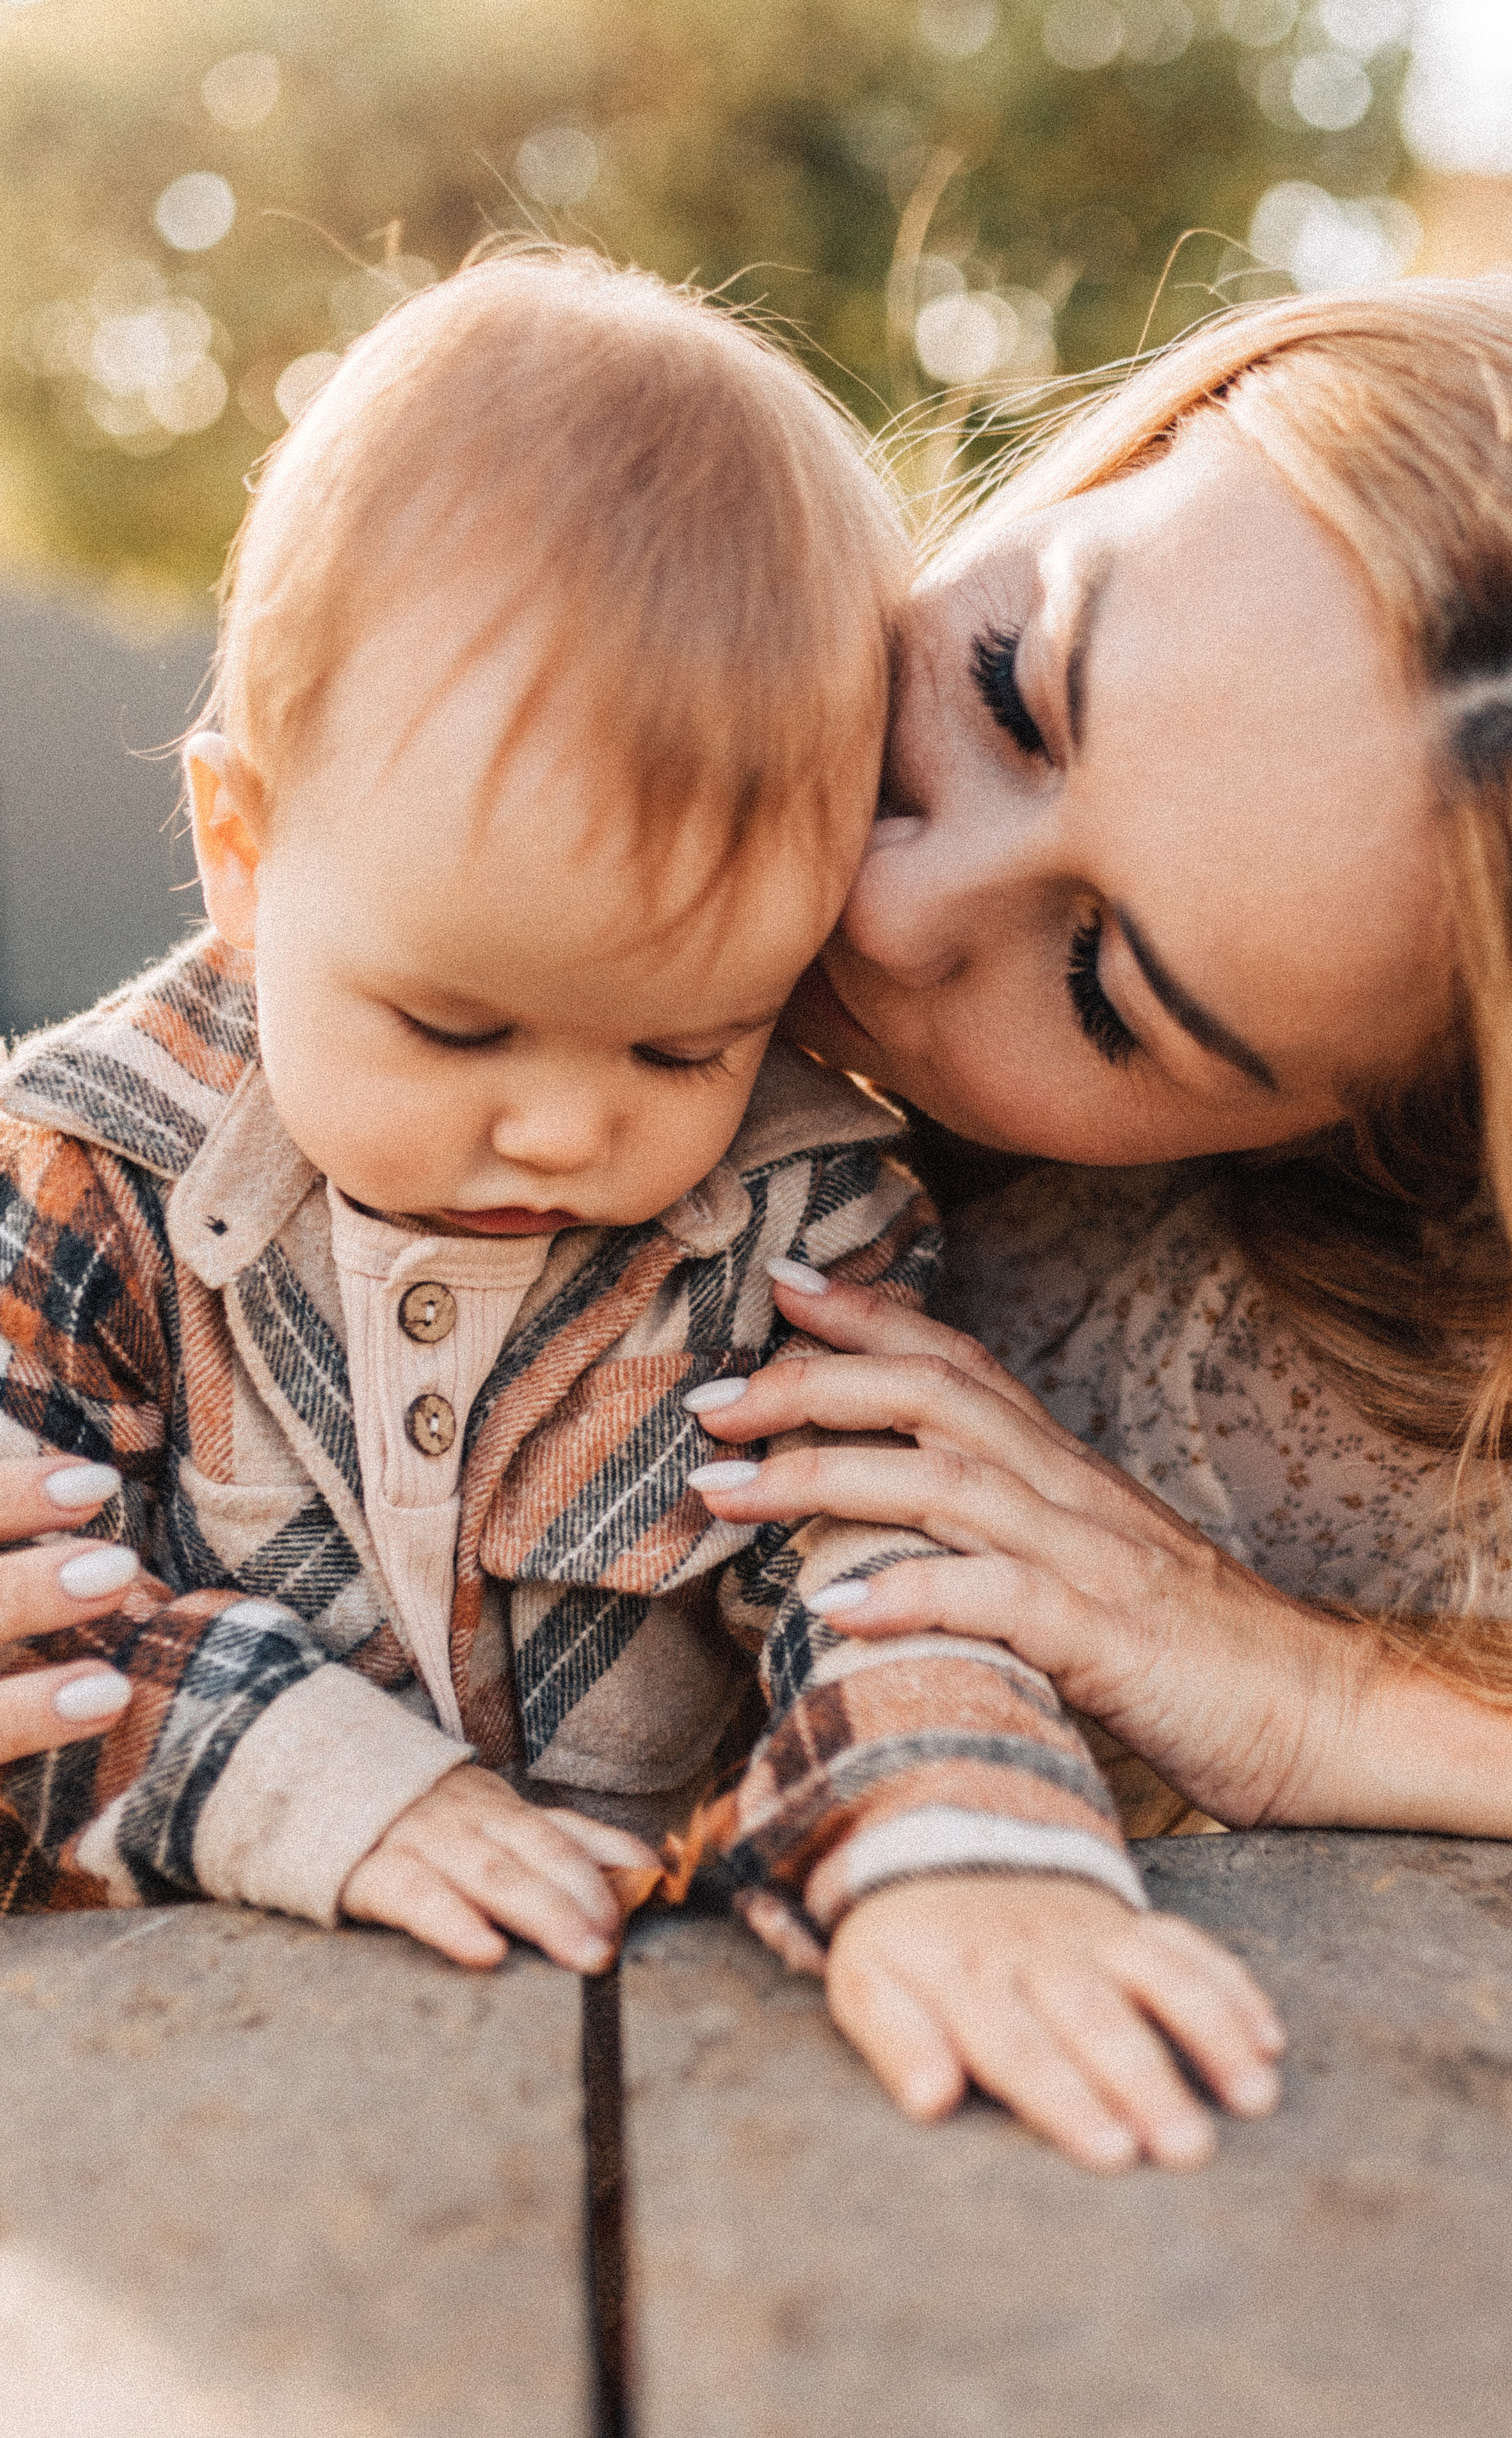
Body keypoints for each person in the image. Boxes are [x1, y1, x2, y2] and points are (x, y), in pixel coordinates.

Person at [0, 248, 1282, 2173]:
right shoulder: (82, 1168)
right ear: (244, 851)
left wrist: (961, 1851)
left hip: (633, 2099)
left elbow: (878, 1568)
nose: (559, 1126)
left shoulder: (794, 1220)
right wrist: (323, 1785)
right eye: (456, 1021)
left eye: (683, 1049)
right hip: (158, 2096)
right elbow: (35, 1632)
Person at [688, 282, 1512, 1904]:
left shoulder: (1326, 1369)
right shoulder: (599, 578)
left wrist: (1301, 1700)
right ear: (1148, 434)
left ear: (1390, 1150)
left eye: (1102, 996)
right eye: (1007, 686)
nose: (886, 907)